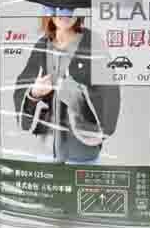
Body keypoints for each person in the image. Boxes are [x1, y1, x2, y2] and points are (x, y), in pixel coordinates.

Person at [14, 16, 120, 163]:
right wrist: (34, 94)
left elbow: (110, 94)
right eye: (58, 7)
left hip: (81, 150)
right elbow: (23, 86)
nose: (64, 14)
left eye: (69, 8)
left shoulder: (92, 43)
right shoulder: (42, 45)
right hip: (46, 151)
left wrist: (77, 96)